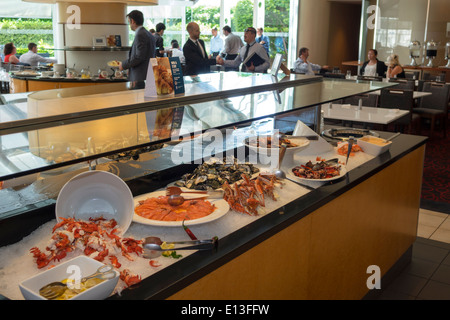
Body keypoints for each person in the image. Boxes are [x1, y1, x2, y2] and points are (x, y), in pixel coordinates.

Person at [118, 10, 156, 89]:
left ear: (132, 21)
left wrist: (123, 65)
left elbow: (139, 57)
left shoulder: (140, 34)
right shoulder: (149, 34)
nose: (129, 24)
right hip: (147, 76)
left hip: (139, 78)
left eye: (129, 21)